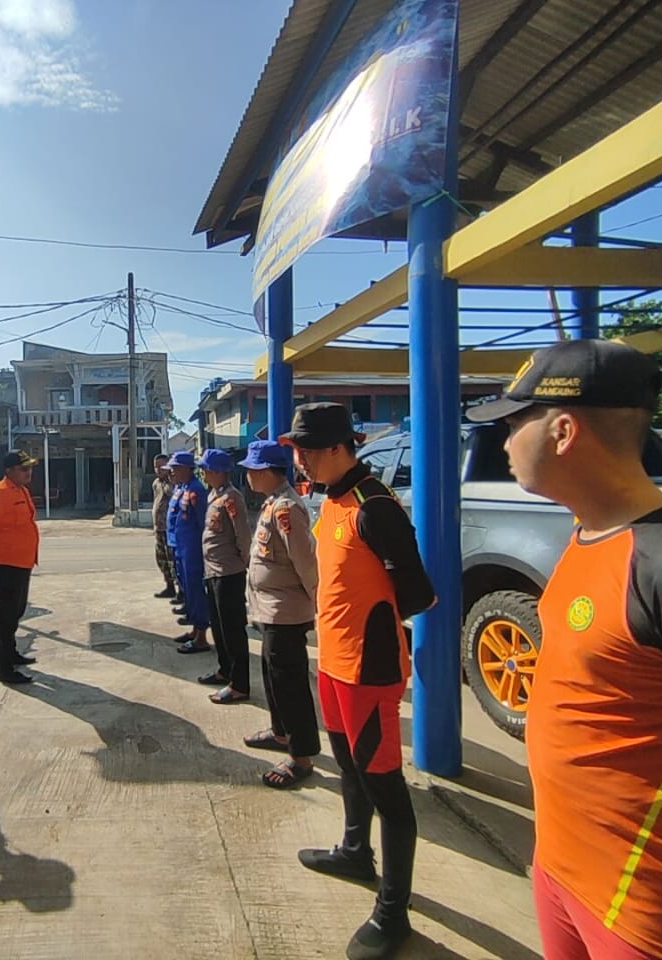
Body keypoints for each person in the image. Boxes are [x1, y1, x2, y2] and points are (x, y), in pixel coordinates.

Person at [465, 339, 662, 960]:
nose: (502, 441)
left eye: (511, 422)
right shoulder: (588, 534)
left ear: (562, 429)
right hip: (563, 872)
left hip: (659, 911)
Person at [280, 403, 435, 960]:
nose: (299, 459)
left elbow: (419, 592)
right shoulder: (331, 500)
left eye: (306, 450)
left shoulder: (376, 507)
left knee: (385, 787)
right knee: (347, 765)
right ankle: (353, 851)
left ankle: (393, 912)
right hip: (333, 661)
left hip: (369, 671)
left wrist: (374, 618)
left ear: (338, 448)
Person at [237, 440, 321, 789]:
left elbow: (305, 563)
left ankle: (301, 757)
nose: (248, 476)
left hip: (285, 613)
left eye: (253, 470)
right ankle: (281, 732)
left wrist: (317, 603)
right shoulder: (272, 504)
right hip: (270, 610)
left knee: (290, 685)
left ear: (269, 471)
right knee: (272, 678)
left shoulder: (287, 509)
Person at [0, 450, 42, 686]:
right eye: (24, 469)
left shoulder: (20, 490)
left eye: (30, 468)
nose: (28, 472)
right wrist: (3, 546)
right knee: (5, 617)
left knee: (16, 611)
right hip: (5, 564)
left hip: (21, 563)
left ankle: (11, 654)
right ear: (9, 471)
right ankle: (4, 669)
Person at [196, 448, 252, 704]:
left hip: (229, 573)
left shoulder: (232, 498)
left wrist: (242, 564)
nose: (204, 473)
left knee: (232, 630)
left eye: (207, 469)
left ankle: (239, 684)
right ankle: (224, 670)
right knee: (218, 627)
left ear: (219, 472)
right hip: (213, 571)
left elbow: (242, 536)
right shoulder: (214, 495)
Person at [166, 450, 210, 653]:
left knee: (196, 591)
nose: (172, 472)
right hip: (180, 547)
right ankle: (194, 629)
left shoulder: (196, 490)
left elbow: (202, 523)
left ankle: (201, 636)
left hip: (192, 549)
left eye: (175, 468)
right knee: (188, 591)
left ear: (185, 469)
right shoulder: (181, 488)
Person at [151, 454, 178, 599]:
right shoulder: (156, 483)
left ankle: (181, 591)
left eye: (161, 466)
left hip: (170, 530)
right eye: (156, 467)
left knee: (172, 560)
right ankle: (169, 587)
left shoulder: (172, 483)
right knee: (161, 560)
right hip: (158, 528)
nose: (158, 470)